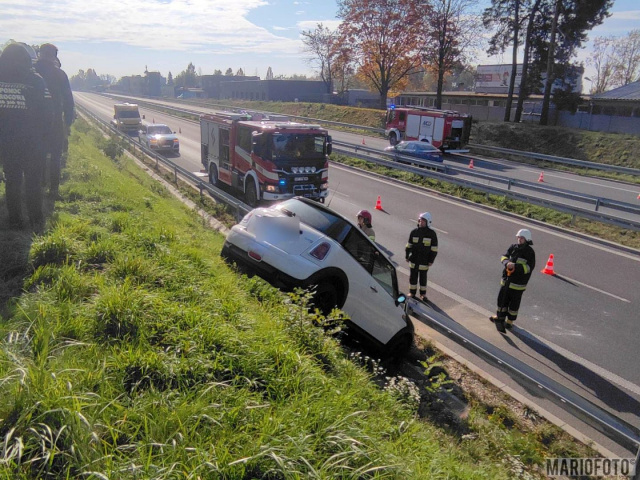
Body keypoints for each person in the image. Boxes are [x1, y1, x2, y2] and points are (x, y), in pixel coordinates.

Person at [0, 43, 51, 229]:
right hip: (33, 142)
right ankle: (36, 219)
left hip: (7, 142)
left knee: (12, 180)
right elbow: (48, 113)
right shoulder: (36, 81)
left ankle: (14, 220)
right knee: (33, 182)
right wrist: (47, 140)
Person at [35, 43, 74, 197]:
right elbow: (69, 101)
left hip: (35, 121)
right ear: (54, 56)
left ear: (40, 54)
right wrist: (68, 122)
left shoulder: (32, 72)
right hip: (55, 120)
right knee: (56, 156)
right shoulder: (60, 74)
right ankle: (54, 189)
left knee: (39, 153)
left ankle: (40, 183)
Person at [490, 228, 536, 333]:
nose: (519, 239)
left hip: (518, 284)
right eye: (518, 237)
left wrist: (515, 266)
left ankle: (509, 322)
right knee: (502, 300)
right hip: (506, 281)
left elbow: (529, 267)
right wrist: (506, 263)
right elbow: (504, 256)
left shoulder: (529, 252)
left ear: (527, 239)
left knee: (514, 304)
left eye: (522, 238)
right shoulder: (513, 247)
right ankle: (500, 317)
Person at [405, 212, 438, 302]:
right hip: (414, 259)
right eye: (420, 220)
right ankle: (412, 292)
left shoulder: (432, 234)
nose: (421, 222)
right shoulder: (414, 232)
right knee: (413, 277)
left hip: (424, 261)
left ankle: (423, 294)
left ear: (428, 222)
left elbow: (434, 249)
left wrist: (431, 260)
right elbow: (409, 246)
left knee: (423, 278)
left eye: (423, 221)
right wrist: (407, 256)